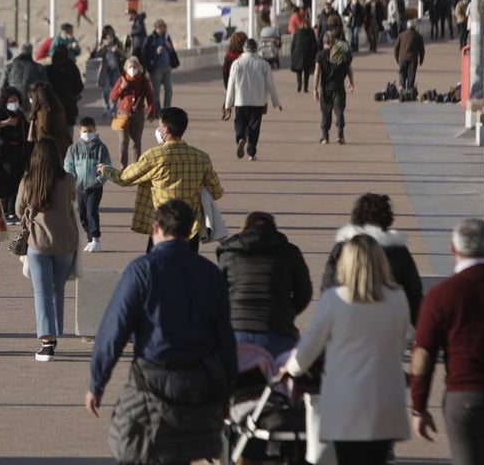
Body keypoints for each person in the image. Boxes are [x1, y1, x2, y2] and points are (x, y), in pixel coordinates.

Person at [86, 199, 237, 465]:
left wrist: (97, 383)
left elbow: (113, 330)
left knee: (132, 446)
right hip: (199, 384)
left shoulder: (141, 271)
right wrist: (228, 392)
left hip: (151, 382)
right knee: (188, 453)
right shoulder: (211, 274)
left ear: (156, 228)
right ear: (191, 230)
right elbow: (225, 338)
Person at [280, 234, 411, 465]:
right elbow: (401, 343)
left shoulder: (335, 299)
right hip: (386, 398)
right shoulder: (398, 298)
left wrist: (290, 368)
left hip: (346, 400)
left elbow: (309, 348)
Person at [410, 218, 484, 465]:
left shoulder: (440, 295)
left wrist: (419, 406)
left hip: (464, 397)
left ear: (452, 250)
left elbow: (423, 355)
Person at [99, 107, 224, 251]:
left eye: (159, 125)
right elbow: (217, 192)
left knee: (156, 269)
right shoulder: (201, 158)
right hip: (190, 229)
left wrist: (105, 169)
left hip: (163, 226)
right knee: (188, 271)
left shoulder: (154, 156)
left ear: (165, 129)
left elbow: (124, 179)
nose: (158, 129)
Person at [16, 137, 79, 361]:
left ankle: (47, 340)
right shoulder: (68, 179)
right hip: (65, 242)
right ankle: (55, 331)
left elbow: (18, 208)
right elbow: (72, 200)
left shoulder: (28, 181)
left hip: (38, 242)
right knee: (57, 289)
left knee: (41, 292)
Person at [216, 211, 312, 358]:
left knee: (233, 378)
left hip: (236, 330)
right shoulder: (290, 252)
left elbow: (216, 294)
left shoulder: (229, 254)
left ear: (244, 229)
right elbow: (304, 292)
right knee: (279, 377)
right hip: (278, 330)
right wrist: (287, 311)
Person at [322, 193, 425, 324]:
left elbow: (328, 285)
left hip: (348, 321)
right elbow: (413, 293)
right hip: (389, 324)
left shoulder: (343, 247)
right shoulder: (399, 252)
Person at [223, 38, 282, 161]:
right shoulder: (263, 64)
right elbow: (271, 84)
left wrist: (228, 104)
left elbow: (231, 85)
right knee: (254, 127)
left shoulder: (237, 63)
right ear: (256, 49)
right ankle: (251, 152)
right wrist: (276, 102)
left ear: (244, 49)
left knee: (240, 123)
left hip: (241, 101)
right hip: (258, 101)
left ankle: (240, 138)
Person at [64, 117, 111, 253]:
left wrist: (98, 181)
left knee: (92, 211)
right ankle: (90, 238)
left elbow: (107, 167)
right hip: (79, 187)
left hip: (95, 187)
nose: (87, 133)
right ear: (80, 131)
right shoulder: (73, 148)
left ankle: (96, 238)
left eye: (90, 131)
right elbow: (68, 165)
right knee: (82, 214)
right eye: (85, 131)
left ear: (95, 130)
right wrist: (72, 179)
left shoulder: (101, 148)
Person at [0, 87, 27, 226]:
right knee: (7, 183)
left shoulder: (20, 114)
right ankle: (5, 213)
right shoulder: (2, 113)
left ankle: (12, 212)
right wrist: (6, 123)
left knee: (16, 183)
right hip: (6, 155)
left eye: (15, 100)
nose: (13, 103)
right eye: (10, 100)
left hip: (19, 155)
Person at [109, 57, 155, 165]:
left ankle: (136, 168)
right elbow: (112, 97)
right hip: (123, 116)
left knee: (136, 144)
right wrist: (122, 88)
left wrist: (151, 111)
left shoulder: (143, 80)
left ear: (139, 68)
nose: (132, 69)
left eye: (135, 67)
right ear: (126, 68)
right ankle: (123, 169)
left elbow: (150, 97)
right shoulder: (122, 79)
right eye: (130, 67)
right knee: (123, 144)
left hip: (138, 115)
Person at [314, 30, 355, 145]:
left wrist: (314, 89)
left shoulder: (320, 55)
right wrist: (351, 82)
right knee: (339, 111)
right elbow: (349, 69)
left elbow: (317, 72)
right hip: (339, 88)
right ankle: (340, 135)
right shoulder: (342, 53)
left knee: (325, 112)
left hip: (326, 88)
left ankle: (325, 136)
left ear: (324, 42)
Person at [27, 81, 72, 157]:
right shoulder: (56, 106)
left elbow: (43, 132)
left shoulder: (43, 111)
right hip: (63, 146)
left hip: (50, 151)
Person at [0, 43, 47, 112]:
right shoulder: (39, 68)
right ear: (31, 52)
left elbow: (1, 86)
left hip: (13, 104)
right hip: (33, 106)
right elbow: (46, 86)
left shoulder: (8, 68)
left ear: (19, 52)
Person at [140, 19, 176, 112]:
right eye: (161, 27)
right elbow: (145, 53)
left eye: (164, 27)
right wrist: (156, 52)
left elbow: (172, 52)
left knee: (169, 89)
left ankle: (166, 110)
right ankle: (157, 110)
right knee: (156, 91)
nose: (163, 29)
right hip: (156, 68)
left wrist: (169, 48)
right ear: (156, 28)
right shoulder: (150, 38)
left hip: (167, 67)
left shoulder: (167, 37)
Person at [46, 44, 84, 130]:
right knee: (68, 135)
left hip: (53, 106)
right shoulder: (72, 68)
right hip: (69, 107)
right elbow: (79, 87)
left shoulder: (49, 70)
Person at [92, 25, 126, 117]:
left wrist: (117, 50)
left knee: (115, 90)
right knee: (106, 90)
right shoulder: (102, 43)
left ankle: (114, 108)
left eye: (111, 34)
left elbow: (124, 54)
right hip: (105, 70)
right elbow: (97, 54)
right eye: (108, 34)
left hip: (115, 69)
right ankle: (106, 106)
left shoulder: (117, 42)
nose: (110, 36)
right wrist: (105, 47)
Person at [394, 18, 426, 91]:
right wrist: (421, 60)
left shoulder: (401, 35)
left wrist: (396, 58)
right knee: (411, 75)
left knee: (402, 73)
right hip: (413, 59)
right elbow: (422, 50)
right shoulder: (418, 36)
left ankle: (401, 87)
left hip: (402, 58)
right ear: (414, 26)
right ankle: (410, 89)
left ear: (407, 26)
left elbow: (396, 48)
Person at [290, 18, 318, 93]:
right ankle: (305, 87)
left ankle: (299, 86)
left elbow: (293, 44)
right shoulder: (311, 32)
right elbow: (314, 45)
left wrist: (292, 53)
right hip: (308, 54)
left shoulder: (297, 32)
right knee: (306, 72)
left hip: (298, 54)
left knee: (299, 72)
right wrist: (314, 54)